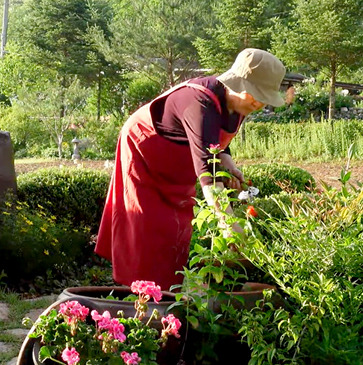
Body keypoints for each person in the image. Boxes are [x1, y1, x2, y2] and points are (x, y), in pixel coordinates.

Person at [95, 48, 286, 290]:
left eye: (264, 97)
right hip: (145, 148)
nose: (259, 103)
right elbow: (208, 174)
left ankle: (169, 292)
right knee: (148, 226)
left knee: (179, 223)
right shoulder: (200, 102)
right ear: (238, 84)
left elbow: (215, 144)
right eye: (256, 95)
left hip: (176, 157)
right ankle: (140, 296)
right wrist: (229, 225)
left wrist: (229, 163)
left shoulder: (239, 104)